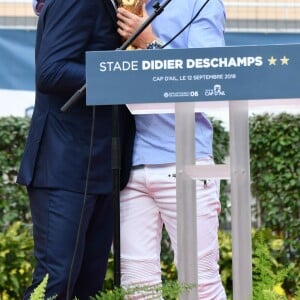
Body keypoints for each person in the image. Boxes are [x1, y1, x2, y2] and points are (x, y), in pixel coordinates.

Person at [17, 0, 135, 299]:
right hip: (64, 166)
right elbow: (51, 71)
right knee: (56, 281)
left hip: (103, 167)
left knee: (88, 284)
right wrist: (126, 75)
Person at [116, 0, 227, 298]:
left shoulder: (198, 4)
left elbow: (211, 76)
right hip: (128, 165)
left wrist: (150, 43)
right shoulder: (121, 3)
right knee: (136, 287)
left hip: (184, 160)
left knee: (200, 283)